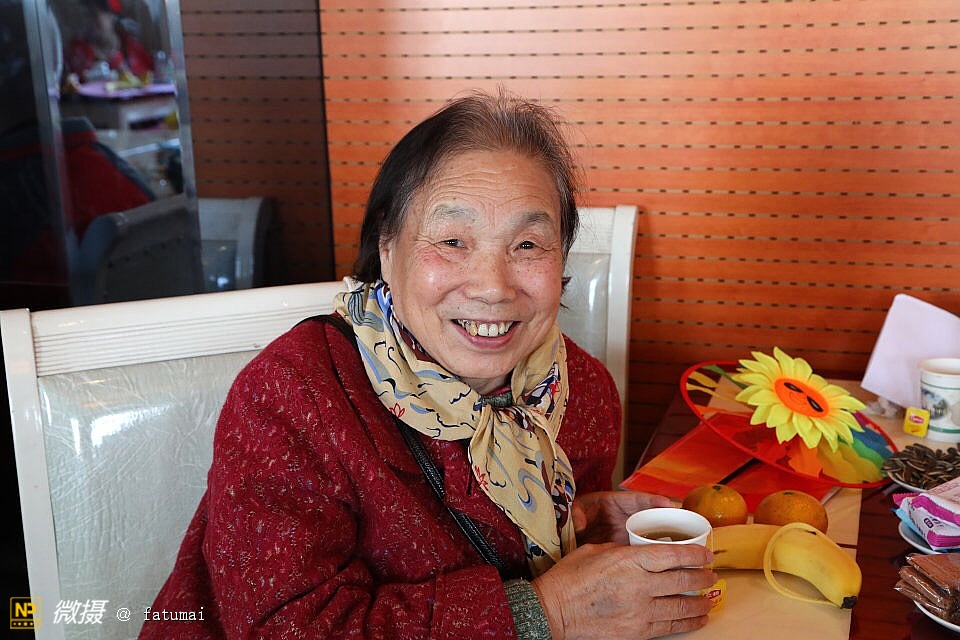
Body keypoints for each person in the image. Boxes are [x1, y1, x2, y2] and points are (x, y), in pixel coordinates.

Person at [141, 90, 716, 640]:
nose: (493, 287)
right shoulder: (293, 397)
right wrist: (547, 613)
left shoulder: (580, 392)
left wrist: (571, 527)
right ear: (387, 247)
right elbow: (283, 627)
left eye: (527, 245)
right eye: (452, 241)